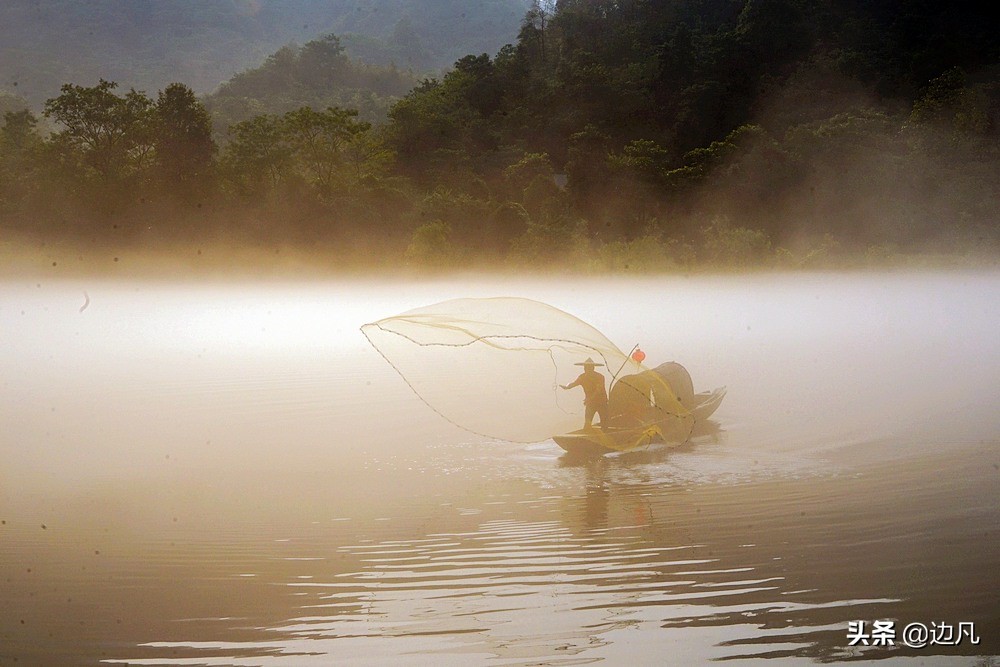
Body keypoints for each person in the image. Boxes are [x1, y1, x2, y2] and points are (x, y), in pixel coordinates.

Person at [560, 358, 609, 429]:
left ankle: (605, 434)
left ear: (593, 368)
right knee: (587, 422)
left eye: (588, 367)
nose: (586, 369)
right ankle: (587, 433)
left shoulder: (600, 377)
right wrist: (566, 387)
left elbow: (598, 390)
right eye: (585, 367)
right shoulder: (582, 377)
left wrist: (589, 399)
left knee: (604, 422)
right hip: (590, 403)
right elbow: (574, 383)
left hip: (601, 402)